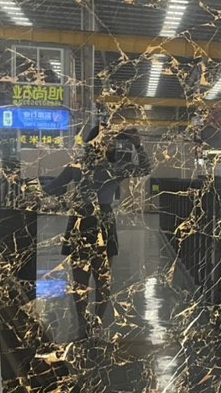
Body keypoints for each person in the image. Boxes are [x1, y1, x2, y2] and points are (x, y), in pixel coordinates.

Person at [43, 123, 151, 339]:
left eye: (111, 140)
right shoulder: (92, 166)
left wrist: (138, 146)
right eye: (105, 139)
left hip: (91, 219)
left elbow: (144, 169)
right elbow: (53, 186)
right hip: (90, 219)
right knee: (83, 279)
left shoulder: (110, 167)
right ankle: (85, 324)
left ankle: (93, 324)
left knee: (100, 278)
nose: (109, 143)